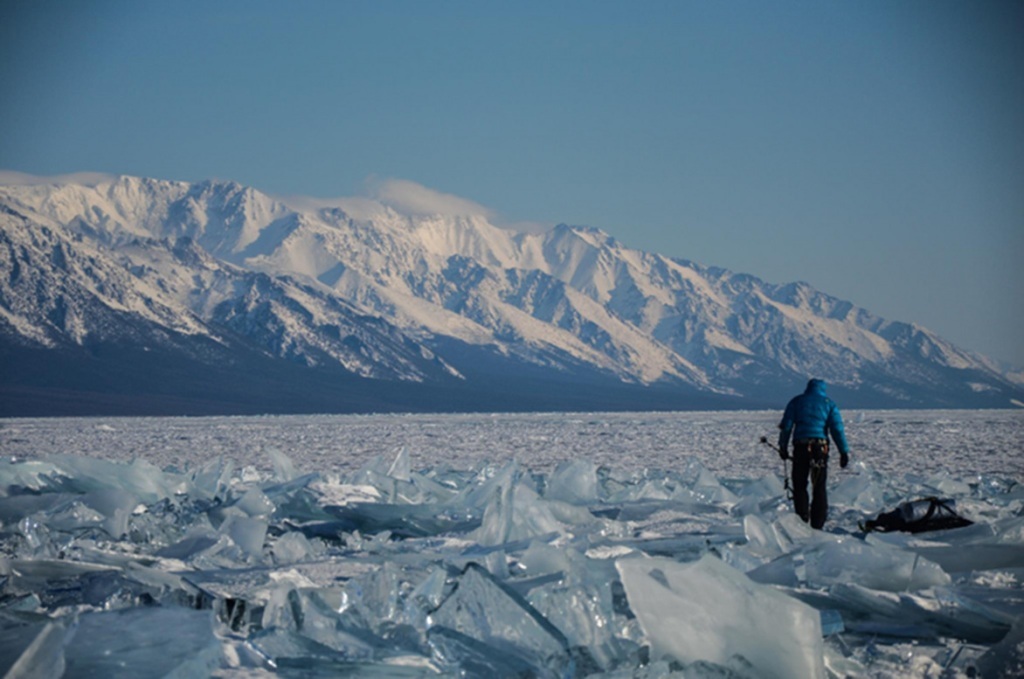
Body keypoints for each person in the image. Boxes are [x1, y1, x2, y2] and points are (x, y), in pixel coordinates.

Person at [777, 378, 850, 529]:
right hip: (820, 449)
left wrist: (782, 447)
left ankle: (802, 519)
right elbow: (837, 429)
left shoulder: (796, 402)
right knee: (819, 486)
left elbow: (786, 426)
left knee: (799, 484)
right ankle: (818, 524)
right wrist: (843, 451)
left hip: (801, 448)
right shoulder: (829, 404)